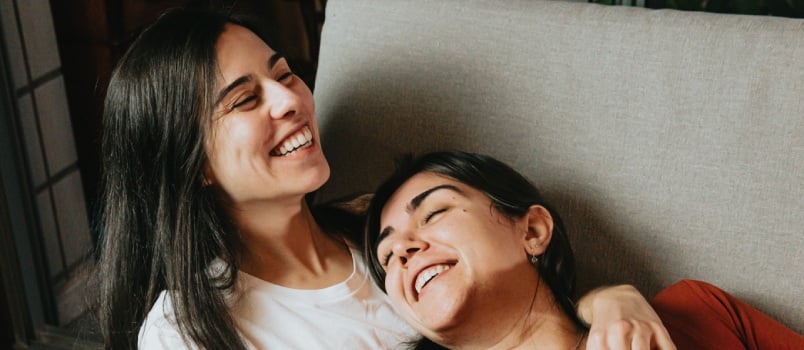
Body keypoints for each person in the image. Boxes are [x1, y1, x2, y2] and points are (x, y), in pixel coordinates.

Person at [96, 7, 676, 350]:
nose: (291, 99)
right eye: (246, 100)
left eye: (285, 73)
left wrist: (610, 301)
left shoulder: (379, 228)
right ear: (192, 163)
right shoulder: (188, 329)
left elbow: (528, 303)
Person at [364, 151, 804, 349]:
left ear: (533, 230)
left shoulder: (697, 311)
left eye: (435, 212)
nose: (402, 249)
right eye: (387, 258)